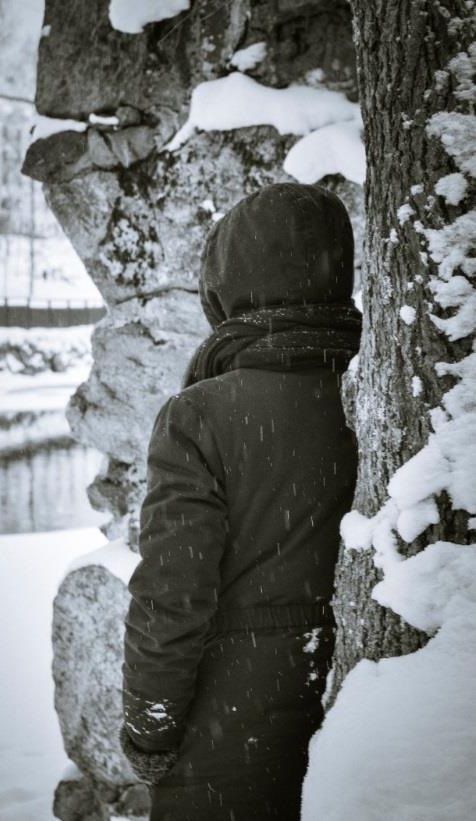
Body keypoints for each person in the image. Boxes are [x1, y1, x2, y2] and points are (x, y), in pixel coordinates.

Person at [119, 182, 362, 820]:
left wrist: (150, 728)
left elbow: (171, 598)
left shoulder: (201, 415)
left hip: (229, 722)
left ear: (225, 284)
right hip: (353, 698)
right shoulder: (367, 392)